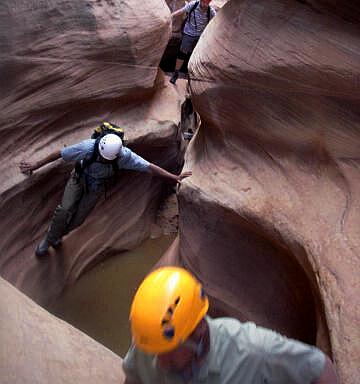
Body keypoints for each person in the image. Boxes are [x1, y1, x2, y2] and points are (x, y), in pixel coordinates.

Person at [123, 266, 339, 384]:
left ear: (197, 330)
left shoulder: (253, 350)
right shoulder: (153, 338)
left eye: (168, 352)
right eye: (154, 352)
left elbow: (321, 370)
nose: (159, 362)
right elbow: (134, 379)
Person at [19, 135, 191, 257]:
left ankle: (58, 235)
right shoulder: (89, 147)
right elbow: (61, 154)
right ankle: (49, 240)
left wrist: (173, 177)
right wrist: (35, 165)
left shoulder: (125, 156)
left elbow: (149, 167)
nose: (104, 159)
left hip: (96, 187)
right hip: (78, 178)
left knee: (78, 220)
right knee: (64, 209)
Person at [170, 0, 216, 85]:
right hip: (188, 33)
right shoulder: (194, 5)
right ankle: (176, 73)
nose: (205, 4)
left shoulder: (210, 11)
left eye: (207, 2)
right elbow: (181, 11)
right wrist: (170, 16)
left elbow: (216, 20)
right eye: (203, 2)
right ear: (201, 0)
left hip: (200, 36)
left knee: (196, 56)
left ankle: (193, 76)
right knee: (182, 53)